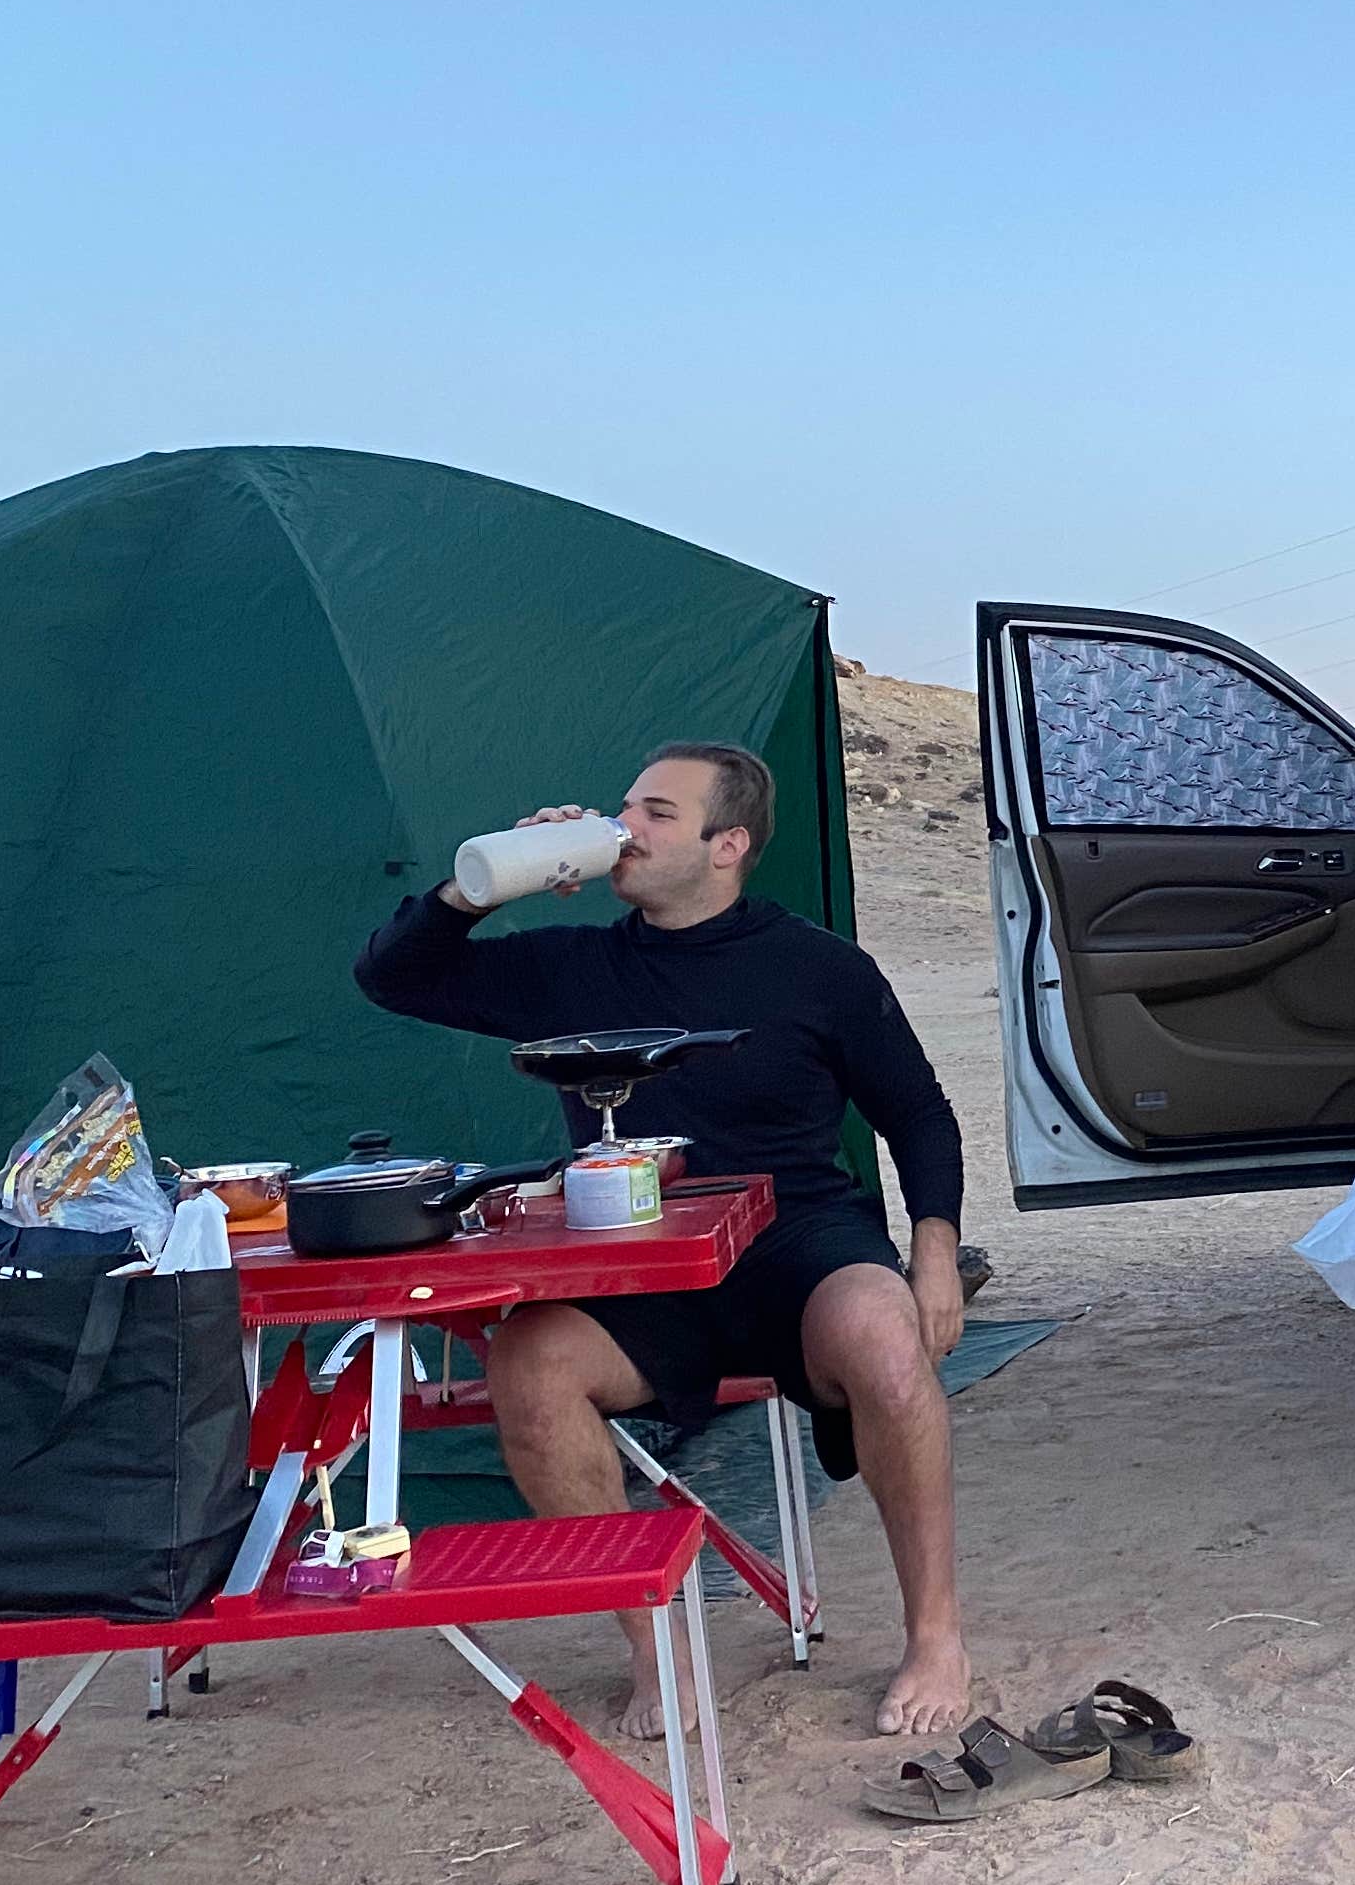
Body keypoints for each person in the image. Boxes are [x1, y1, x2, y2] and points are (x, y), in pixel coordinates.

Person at [353, 742, 974, 1736]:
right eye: (625, 807)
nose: (625, 828)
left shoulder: (819, 968)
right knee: (531, 1360)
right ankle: (654, 1646)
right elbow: (393, 978)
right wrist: (489, 882)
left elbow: (920, 1115)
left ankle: (935, 1634)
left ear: (727, 845)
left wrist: (934, 1250)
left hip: (796, 1241)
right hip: (635, 1253)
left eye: (657, 813)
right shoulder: (573, 966)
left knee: (887, 1342)